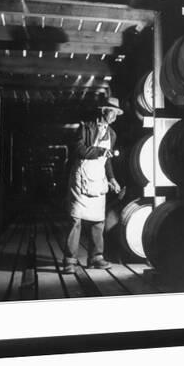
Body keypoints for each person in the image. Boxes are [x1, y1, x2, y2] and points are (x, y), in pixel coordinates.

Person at [63, 97, 123, 274]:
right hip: (81, 177)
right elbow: (79, 149)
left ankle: (96, 257)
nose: (115, 117)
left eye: (117, 114)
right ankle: (69, 260)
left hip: (98, 177)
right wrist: (101, 150)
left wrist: (112, 179)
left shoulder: (112, 134)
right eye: (113, 112)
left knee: (98, 221)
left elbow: (107, 161)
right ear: (104, 110)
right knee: (75, 219)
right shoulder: (86, 127)